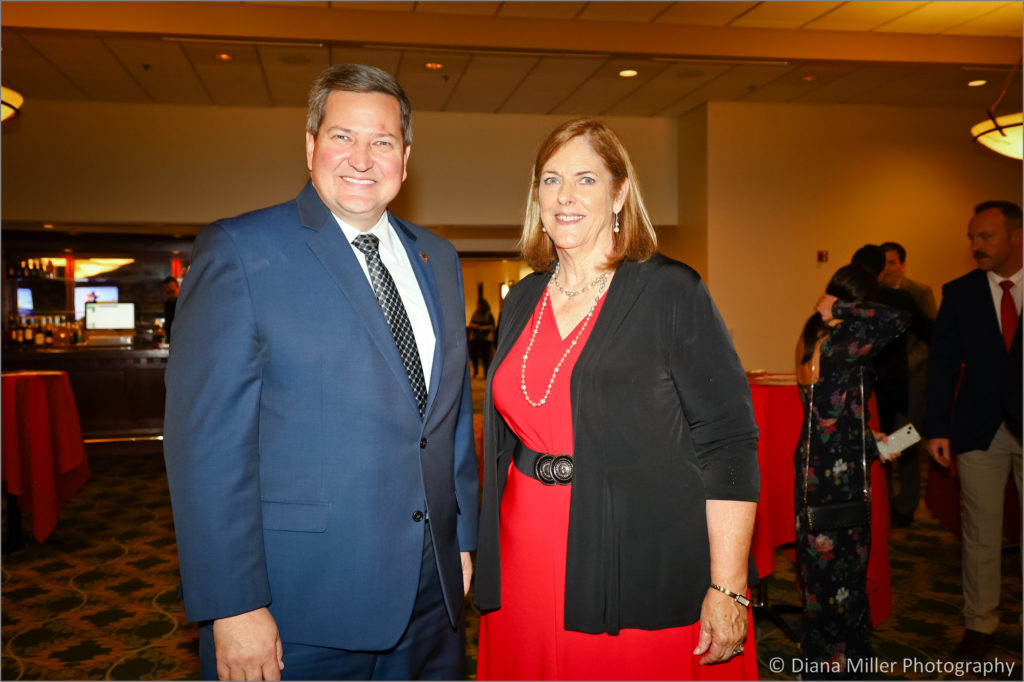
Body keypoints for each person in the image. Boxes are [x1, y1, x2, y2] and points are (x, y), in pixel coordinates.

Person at [163, 64, 478, 681]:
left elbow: (451, 417)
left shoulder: (437, 258)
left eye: (382, 141)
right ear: (310, 146)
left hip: (430, 595)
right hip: (299, 605)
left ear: (405, 158)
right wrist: (234, 604)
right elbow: (206, 447)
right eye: (342, 136)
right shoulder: (240, 250)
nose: (362, 158)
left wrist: (461, 538)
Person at [473, 118, 760, 680]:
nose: (566, 195)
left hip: (634, 549)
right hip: (523, 549)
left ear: (620, 193)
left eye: (586, 179)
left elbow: (728, 442)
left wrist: (729, 585)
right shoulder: (523, 298)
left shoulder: (670, 290)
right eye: (551, 179)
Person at [793, 264, 908, 678]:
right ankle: (844, 663)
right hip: (840, 475)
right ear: (862, 303)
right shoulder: (844, 343)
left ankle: (820, 660)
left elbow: (831, 412)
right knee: (845, 575)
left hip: (815, 467)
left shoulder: (812, 337)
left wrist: (871, 436)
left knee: (818, 576)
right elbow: (899, 319)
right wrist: (842, 308)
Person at [925, 200, 1022, 662]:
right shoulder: (960, 292)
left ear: (1016, 237)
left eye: (985, 237)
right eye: (972, 238)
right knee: (980, 532)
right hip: (978, 428)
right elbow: (942, 363)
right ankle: (979, 623)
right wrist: (937, 428)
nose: (975, 246)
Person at [879, 241, 937, 527]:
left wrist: (905, 366)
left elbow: (931, 337)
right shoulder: (875, 293)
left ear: (902, 264)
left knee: (906, 439)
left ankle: (906, 504)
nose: (887, 269)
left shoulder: (919, 292)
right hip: (882, 382)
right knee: (881, 443)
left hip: (912, 380)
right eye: (883, 263)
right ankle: (885, 501)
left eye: (892, 262)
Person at [467, 298, 496, 378]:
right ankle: (475, 371)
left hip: (486, 338)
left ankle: (486, 372)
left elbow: (492, 326)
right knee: (473, 354)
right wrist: (475, 326)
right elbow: (471, 323)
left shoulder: (489, 315)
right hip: (475, 338)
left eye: (479, 304)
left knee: (485, 356)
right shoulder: (475, 314)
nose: (478, 306)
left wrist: (482, 327)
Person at [161, 276, 179, 342]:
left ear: (178, 288)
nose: (170, 295)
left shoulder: (185, 305)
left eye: (172, 291)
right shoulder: (168, 304)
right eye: (167, 293)